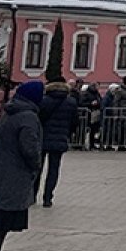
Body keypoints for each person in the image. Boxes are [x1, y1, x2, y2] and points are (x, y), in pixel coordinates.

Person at [0, 80, 44, 251]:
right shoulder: (28, 117)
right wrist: (36, 164)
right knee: (5, 213)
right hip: (15, 171)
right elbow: (29, 147)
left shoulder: (9, 112)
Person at [35, 77, 77, 208]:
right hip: (60, 138)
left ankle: (32, 194)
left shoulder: (43, 100)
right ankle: (48, 198)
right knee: (54, 169)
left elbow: (38, 118)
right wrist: (68, 134)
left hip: (42, 138)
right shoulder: (71, 102)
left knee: (37, 167)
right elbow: (74, 122)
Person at [79, 82, 102, 150]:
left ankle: (92, 144)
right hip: (88, 113)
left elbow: (100, 101)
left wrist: (98, 104)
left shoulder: (97, 93)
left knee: (93, 130)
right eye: (97, 86)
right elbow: (81, 103)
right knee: (85, 130)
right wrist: (91, 104)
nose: (98, 87)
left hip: (95, 113)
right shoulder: (86, 93)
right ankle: (83, 144)